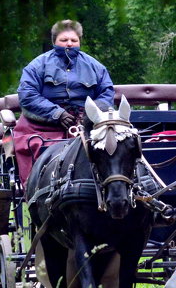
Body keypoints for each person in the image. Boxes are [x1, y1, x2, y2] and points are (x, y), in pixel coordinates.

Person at [12, 19, 115, 184]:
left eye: (74, 40)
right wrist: (56, 113)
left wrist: (90, 115)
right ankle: (38, 189)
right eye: (64, 40)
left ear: (79, 41)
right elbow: (27, 94)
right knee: (36, 146)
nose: (69, 44)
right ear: (54, 41)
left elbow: (106, 93)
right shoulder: (36, 66)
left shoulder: (96, 67)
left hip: (86, 125)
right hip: (43, 126)